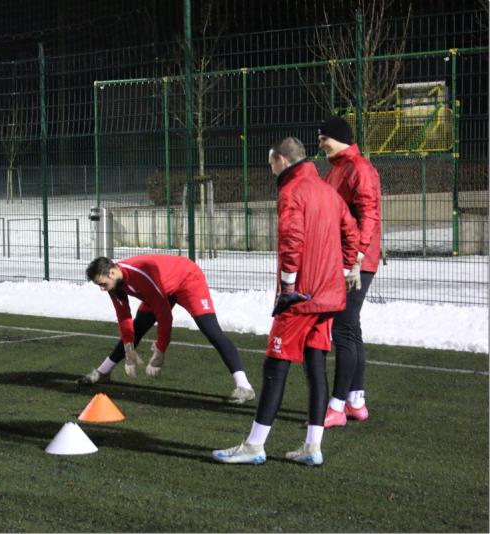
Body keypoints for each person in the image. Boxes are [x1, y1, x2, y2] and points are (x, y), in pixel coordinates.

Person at [212, 137, 359, 466]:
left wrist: (289, 285)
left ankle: (254, 446)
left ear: (280, 159)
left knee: (275, 368)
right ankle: (313, 447)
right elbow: (352, 231)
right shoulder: (327, 191)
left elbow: (292, 238)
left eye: (271, 163)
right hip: (329, 296)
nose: (271, 169)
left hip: (301, 298)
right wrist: (347, 268)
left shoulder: (292, 191)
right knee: (315, 367)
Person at [80, 254, 256, 404]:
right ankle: (103, 372)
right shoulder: (114, 283)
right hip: (161, 288)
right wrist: (128, 350)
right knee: (138, 326)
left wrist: (160, 351)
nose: (103, 289)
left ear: (111, 272)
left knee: (211, 331)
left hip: (187, 279)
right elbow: (124, 317)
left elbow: (164, 316)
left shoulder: (141, 275)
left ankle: (244, 387)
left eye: (102, 284)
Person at [317, 116, 382, 427]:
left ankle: (336, 405)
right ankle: (356, 401)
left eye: (322, 138)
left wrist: (356, 259)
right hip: (344, 260)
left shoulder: (359, 169)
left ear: (337, 137)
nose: (320, 144)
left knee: (342, 329)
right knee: (350, 328)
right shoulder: (337, 168)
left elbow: (369, 214)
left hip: (355, 263)